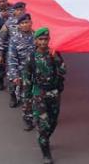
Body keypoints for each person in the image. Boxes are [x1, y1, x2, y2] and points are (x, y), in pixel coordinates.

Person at [22, 27, 66, 164]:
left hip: (53, 93)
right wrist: (27, 101)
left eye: (45, 39)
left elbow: (64, 71)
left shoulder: (54, 54)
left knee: (53, 122)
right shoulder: (31, 58)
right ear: (35, 41)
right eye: (40, 39)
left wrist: (57, 60)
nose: (43, 42)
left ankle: (45, 138)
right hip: (39, 94)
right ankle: (46, 153)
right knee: (43, 125)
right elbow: (27, 79)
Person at [9, 13, 36, 130]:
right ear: (19, 25)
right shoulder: (15, 39)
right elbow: (12, 58)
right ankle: (28, 118)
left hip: (37, 72)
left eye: (27, 22)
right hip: (23, 73)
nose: (25, 25)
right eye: (22, 23)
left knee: (39, 96)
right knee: (26, 97)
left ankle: (40, 116)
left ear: (31, 23)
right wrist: (15, 76)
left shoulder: (37, 37)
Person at [0, 2, 27, 107]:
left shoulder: (30, 22)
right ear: (14, 11)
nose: (20, 12)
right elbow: (2, 38)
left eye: (22, 9)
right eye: (18, 10)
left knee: (26, 79)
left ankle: (25, 99)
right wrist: (0, 53)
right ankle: (13, 96)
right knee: (12, 78)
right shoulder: (8, 23)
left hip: (26, 56)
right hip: (13, 55)